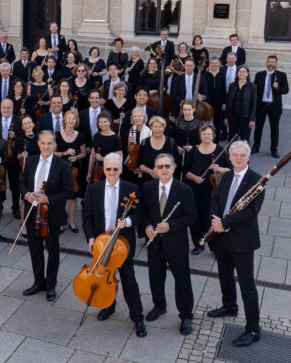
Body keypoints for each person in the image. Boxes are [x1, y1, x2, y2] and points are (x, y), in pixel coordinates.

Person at [206, 140, 264, 347]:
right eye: (235, 155)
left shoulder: (257, 180)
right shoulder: (228, 175)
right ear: (229, 157)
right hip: (223, 236)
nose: (238, 158)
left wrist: (225, 222)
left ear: (248, 157)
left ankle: (253, 329)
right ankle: (229, 306)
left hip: (242, 239)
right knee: (224, 274)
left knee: (247, 284)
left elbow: (251, 211)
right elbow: (216, 198)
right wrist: (215, 220)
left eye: (242, 155)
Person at [82, 153, 146, 337]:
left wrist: (126, 222)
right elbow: (87, 217)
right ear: (103, 169)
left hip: (123, 243)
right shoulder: (94, 189)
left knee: (128, 279)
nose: (111, 172)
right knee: (104, 277)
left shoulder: (131, 188)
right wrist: (90, 238)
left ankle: (138, 317)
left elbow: (139, 214)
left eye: (115, 169)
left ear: (121, 169)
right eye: (108, 169)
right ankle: (109, 306)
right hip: (101, 242)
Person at [140, 153, 198, 334]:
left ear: (174, 168)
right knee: (155, 275)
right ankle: (159, 305)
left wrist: (171, 225)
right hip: (154, 242)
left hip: (176, 242)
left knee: (182, 279)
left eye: (167, 166)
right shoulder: (148, 187)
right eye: (160, 167)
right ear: (155, 170)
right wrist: (147, 225)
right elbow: (142, 211)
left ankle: (186, 315)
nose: (164, 169)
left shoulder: (184, 189)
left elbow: (191, 216)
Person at [20, 131, 74, 302]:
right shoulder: (30, 161)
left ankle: (51, 284)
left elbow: (68, 192)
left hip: (51, 215)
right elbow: (21, 183)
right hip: (32, 212)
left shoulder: (63, 166)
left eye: (49, 143)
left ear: (55, 145)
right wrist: (27, 194)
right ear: (38, 143)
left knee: (52, 250)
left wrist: (49, 198)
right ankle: (38, 282)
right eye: (43, 143)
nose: (46, 146)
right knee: (34, 248)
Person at [184, 125, 230, 255]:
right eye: (204, 134)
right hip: (195, 189)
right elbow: (185, 171)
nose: (206, 136)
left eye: (209, 134)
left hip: (213, 191)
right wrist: (195, 178)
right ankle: (198, 244)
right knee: (195, 219)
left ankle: (214, 247)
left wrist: (219, 169)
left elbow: (230, 169)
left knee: (211, 219)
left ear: (213, 135)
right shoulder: (194, 151)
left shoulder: (220, 150)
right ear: (200, 136)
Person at [56, 110, 88, 233]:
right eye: (69, 118)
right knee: (61, 197)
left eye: (73, 119)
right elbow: (52, 153)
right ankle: (60, 222)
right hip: (60, 169)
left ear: (76, 121)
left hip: (74, 170)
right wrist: (64, 153)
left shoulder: (80, 136)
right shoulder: (57, 135)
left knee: (73, 198)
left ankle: (71, 222)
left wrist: (76, 157)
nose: (71, 121)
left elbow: (84, 154)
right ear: (64, 120)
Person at [253, 55, 289, 158]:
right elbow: (255, 90)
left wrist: (278, 88)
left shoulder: (282, 75)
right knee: (258, 127)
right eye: (269, 61)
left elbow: (286, 90)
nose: (271, 63)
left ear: (276, 64)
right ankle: (256, 146)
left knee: (274, 129)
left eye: (273, 62)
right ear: (266, 63)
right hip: (261, 105)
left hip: (274, 106)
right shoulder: (259, 75)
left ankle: (274, 149)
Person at [138, 116, 182, 184]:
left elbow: (177, 161)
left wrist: (166, 173)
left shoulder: (171, 142)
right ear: (151, 127)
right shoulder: (144, 143)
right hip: (148, 181)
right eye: (155, 127)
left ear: (164, 128)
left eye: (160, 126)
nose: (157, 129)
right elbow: (139, 163)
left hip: (167, 180)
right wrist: (151, 172)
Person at [174, 99, 208, 173]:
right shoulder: (177, 122)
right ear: (182, 110)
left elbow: (205, 142)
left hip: (195, 155)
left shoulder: (200, 124)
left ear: (194, 109)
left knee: (189, 176)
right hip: (178, 154)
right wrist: (176, 147)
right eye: (185, 110)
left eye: (189, 109)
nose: (187, 112)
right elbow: (172, 139)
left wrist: (193, 148)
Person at [225, 66, 257, 142]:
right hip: (233, 117)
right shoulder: (232, 85)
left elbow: (254, 104)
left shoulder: (252, 86)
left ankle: (244, 154)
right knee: (232, 139)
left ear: (247, 74)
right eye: (239, 71)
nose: (241, 73)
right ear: (237, 74)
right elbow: (228, 102)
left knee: (245, 139)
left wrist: (252, 119)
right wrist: (226, 117)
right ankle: (231, 153)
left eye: (244, 72)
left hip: (246, 118)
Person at [205, 58, 227, 142]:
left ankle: (216, 139)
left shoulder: (221, 75)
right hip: (208, 102)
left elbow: (224, 89)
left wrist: (224, 103)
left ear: (218, 64)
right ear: (210, 64)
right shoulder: (206, 74)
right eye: (212, 63)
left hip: (219, 102)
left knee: (218, 122)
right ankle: (206, 138)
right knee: (206, 121)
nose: (214, 64)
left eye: (216, 63)